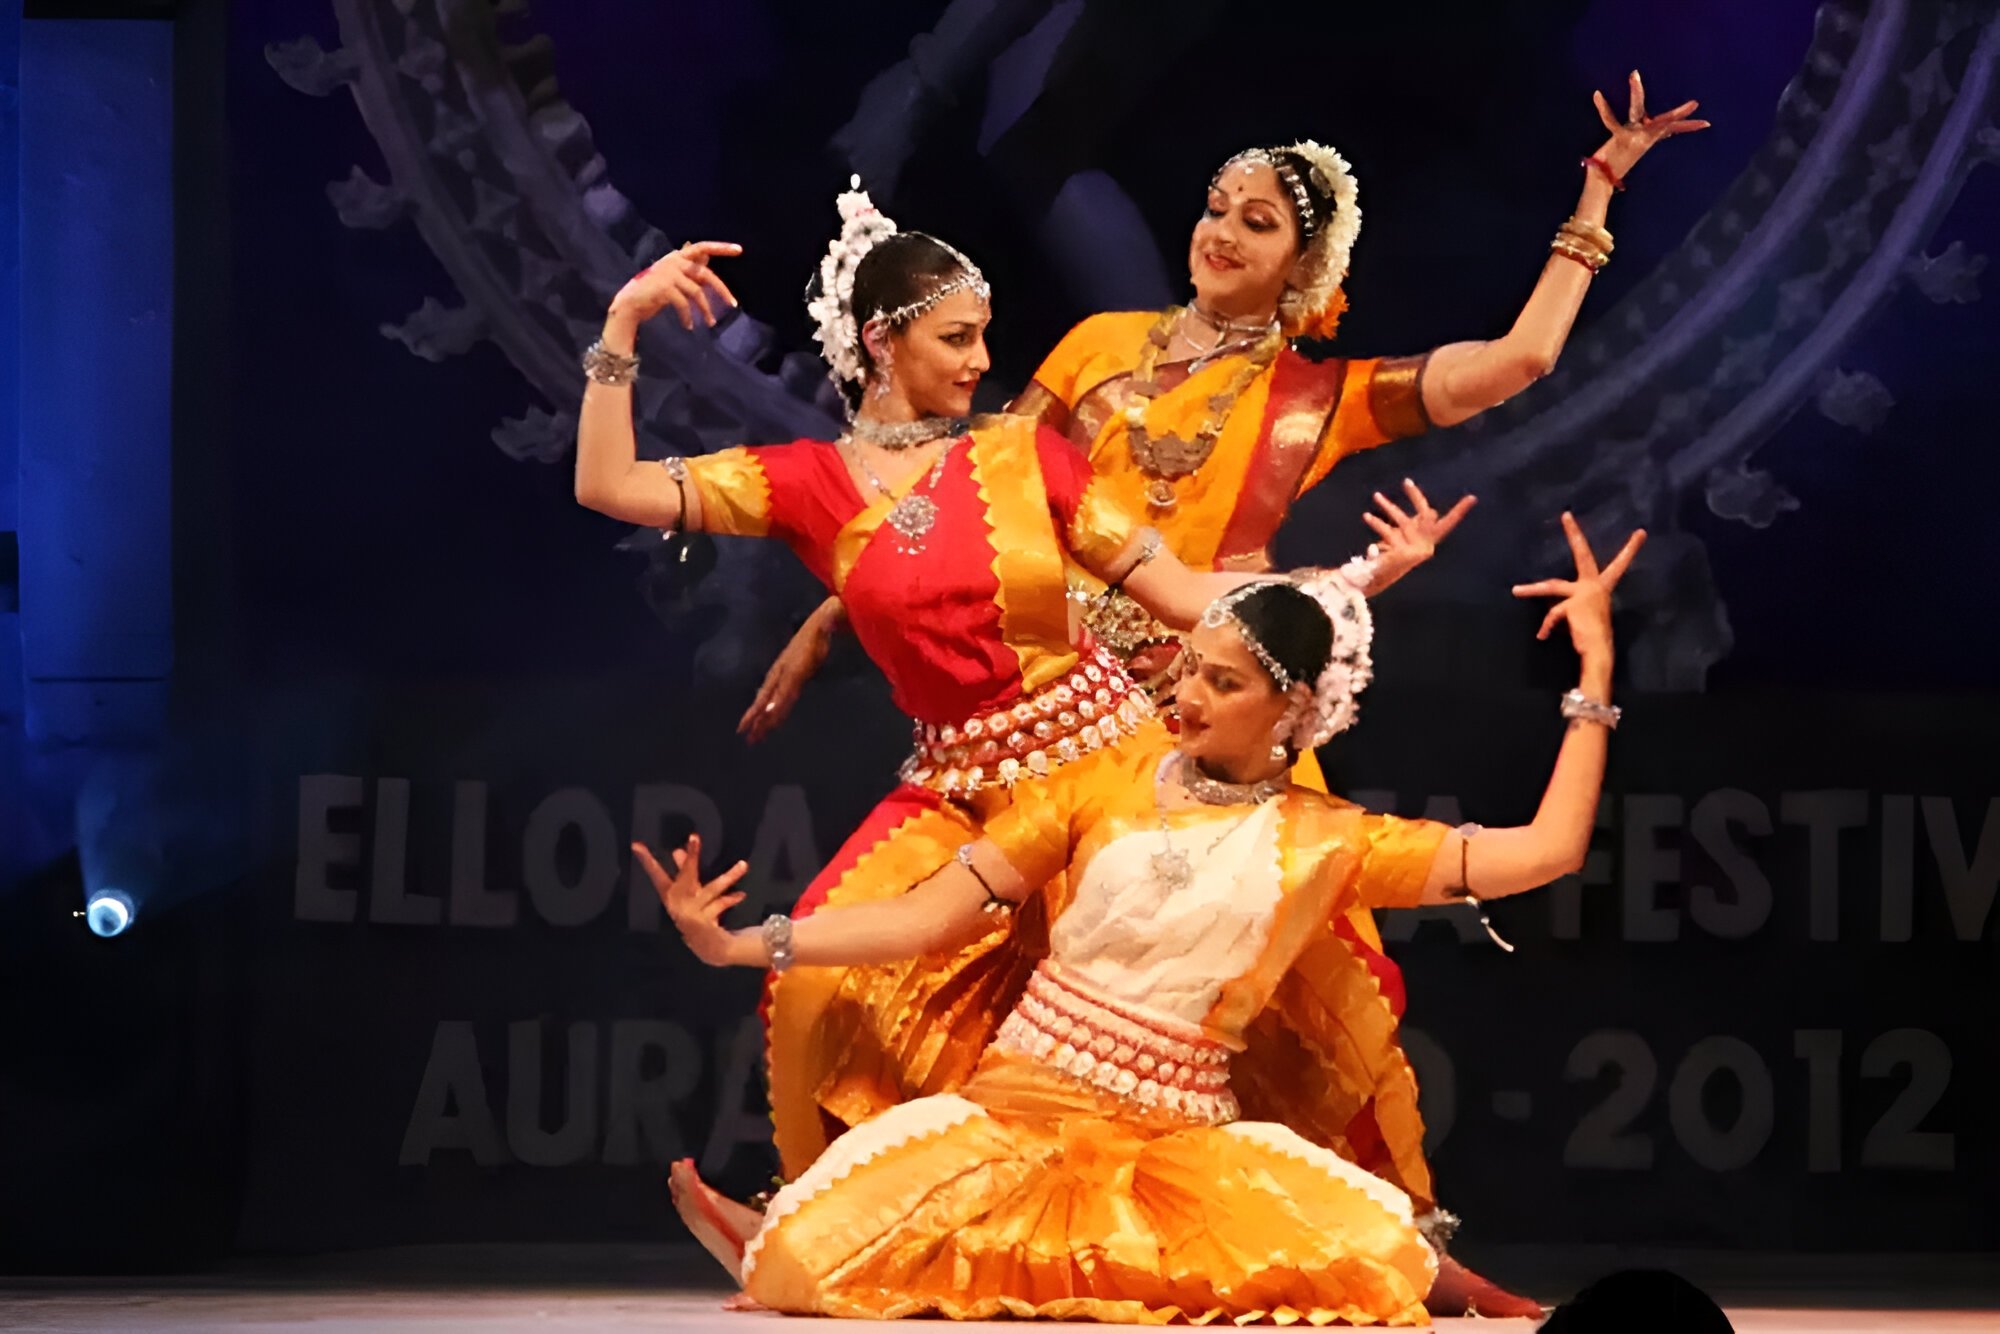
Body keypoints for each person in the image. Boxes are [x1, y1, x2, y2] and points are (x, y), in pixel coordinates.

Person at [735, 75, 1703, 1315]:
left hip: (1226, 724)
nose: (1219, 231)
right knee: (908, 956)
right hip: (1061, 721)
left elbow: (1514, 360)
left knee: (1342, 987)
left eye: (1257, 221)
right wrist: (831, 606)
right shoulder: (1091, 352)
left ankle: (1414, 1249)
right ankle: (826, 1217)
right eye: (1214, 205)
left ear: (1305, 268)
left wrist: (1594, 198)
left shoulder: (1317, 400)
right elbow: (958, 495)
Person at [575, 182, 1447, 1178]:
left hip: (1108, 771)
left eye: (983, 335)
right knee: (814, 988)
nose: (983, 361)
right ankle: (821, 1216)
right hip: (954, 788)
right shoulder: (805, 483)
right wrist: (623, 321)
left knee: (1261, 987)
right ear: (881, 342)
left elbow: (1181, 591)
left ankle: (1400, 1221)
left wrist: (1353, 580)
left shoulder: (1022, 455)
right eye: (956, 338)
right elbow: (609, 484)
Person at [640, 513, 1645, 1322]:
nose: (1185, 692)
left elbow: (1546, 850)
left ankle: (1481, 1295)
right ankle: (809, 1220)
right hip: (1006, 1127)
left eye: (1221, 679)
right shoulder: (1099, 784)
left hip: (1175, 1159)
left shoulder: (1331, 842)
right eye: (1187, 667)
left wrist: (1591, 679)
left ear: (1290, 709)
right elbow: (926, 915)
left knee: (1370, 1253)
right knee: (811, 1258)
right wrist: (748, 941)